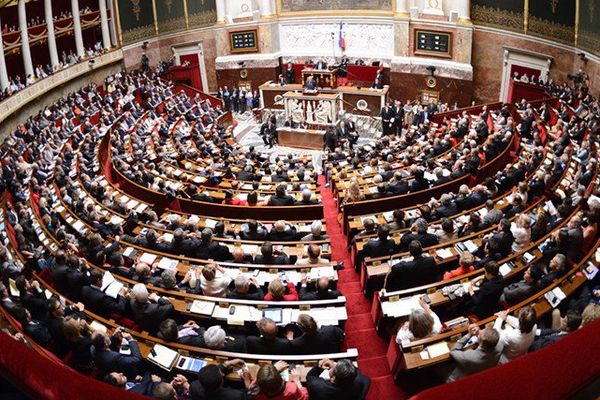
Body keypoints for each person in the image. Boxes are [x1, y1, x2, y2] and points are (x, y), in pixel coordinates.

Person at [305, 358, 371, 400]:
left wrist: (318, 366)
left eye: (333, 368)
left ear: (333, 378)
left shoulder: (317, 386)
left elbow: (309, 377)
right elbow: (355, 369)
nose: (333, 365)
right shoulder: (363, 381)